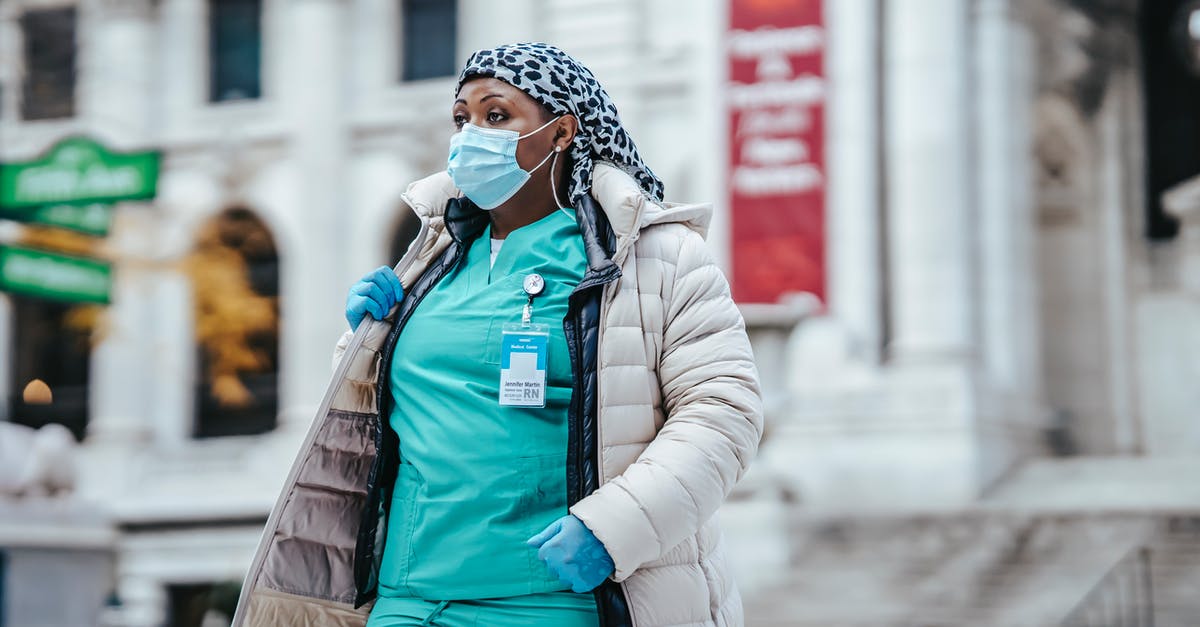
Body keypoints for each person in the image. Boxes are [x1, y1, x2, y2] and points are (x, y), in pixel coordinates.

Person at [231, 42, 763, 627]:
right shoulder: (427, 261)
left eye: (496, 115)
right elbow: (381, 420)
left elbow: (723, 410)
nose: (469, 135)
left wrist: (614, 528)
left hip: (558, 599)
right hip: (408, 599)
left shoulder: (657, 257)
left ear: (562, 133)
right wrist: (362, 344)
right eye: (461, 119)